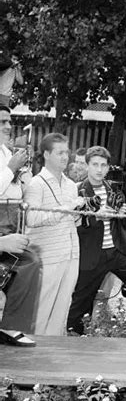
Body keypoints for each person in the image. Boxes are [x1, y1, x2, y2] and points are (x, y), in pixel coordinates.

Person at [67, 146, 126, 335]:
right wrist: (95, 216)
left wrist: (121, 214)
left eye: (103, 165)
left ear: (108, 167)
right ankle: (74, 336)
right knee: (81, 300)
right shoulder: (77, 191)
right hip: (91, 254)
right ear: (87, 166)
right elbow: (73, 224)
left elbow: (121, 217)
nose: (99, 169)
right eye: (95, 164)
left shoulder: (114, 189)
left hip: (117, 250)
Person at [24, 133, 83, 335]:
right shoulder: (36, 183)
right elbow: (31, 219)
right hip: (47, 256)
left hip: (71, 253)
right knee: (42, 307)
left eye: (67, 152)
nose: (65, 157)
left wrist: (78, 214)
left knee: (62, 308)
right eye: (60, 153)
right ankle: (34, 353)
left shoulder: (70, 185)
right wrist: (67, 208)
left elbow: (72, 220)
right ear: (47, 154)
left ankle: (53, 352)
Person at [0, 104, 39, 347]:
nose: (7, 126)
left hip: (9, 221)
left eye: (8, 121)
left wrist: (23, 173)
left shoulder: (6, 152)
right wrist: (11, 169)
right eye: (2, 121)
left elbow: (19, 191)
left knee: (28, 261)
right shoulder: (7, 159)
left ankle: (11, 327)